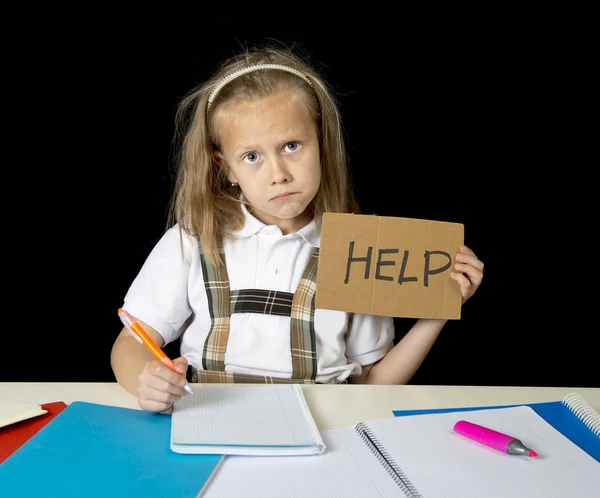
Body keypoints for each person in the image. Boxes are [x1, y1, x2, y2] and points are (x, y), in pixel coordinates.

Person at [110, 43, 484, 413]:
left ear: (320, 142)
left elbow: (372, 384)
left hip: (324, 432)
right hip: (209, 421)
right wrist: (146, 379)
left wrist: (437, 310)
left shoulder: (359, 250)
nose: (278, 174)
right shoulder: (195, 236)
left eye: (291, 146)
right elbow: (130, 343)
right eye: (252, 156)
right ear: (226, 168)